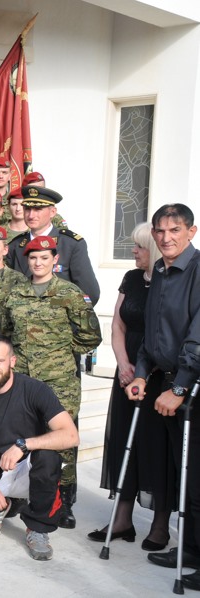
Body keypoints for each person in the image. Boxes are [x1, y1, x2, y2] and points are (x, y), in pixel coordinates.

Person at [1, 235, 102, 528]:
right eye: (33, 258)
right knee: (24, 434)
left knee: (61, 442)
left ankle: (64, 502)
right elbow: (6, 333)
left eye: (44, 258)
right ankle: (22, 496)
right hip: (23, 380)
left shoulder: (70, 293)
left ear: (55, 260)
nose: (38, 263)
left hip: (59, 380)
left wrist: (60, 352)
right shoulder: (16, 294)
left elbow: (91, 336)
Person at [0, 334, 79, 561]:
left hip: (27, 470)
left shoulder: (35, 389)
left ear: (12, 361)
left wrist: (24, 445)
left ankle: (38, 529)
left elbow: (71, 436)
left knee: (48, 458)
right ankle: (1, 507)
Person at [88, 222, 172, 550]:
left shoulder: (171, 281)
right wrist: (123, 364)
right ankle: (122, 519)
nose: (133, 251)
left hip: (158, 374)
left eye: (139, 246)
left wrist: (144, 368)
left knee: (156, 446)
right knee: (125, 439)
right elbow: (118, 324)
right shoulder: (132, 278)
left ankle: (160, 524)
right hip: (127, 372)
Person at [130, 204, 200, 582]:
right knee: (183, 471)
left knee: (198, 475)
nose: (166, 237)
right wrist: (142, 373)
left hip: (191, 385)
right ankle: (190, 547)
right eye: (160, 230)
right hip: (166, 383)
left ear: (191, 231)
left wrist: (179, 387)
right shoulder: (159, 269)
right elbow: (152, 330)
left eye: (175, 230)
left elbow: (198, 338)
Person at [7, 186, 101, 305]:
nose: (31, 215)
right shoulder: (15, 245)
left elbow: (90, 292)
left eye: (37, 209)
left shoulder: (70, 244)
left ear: (52, 212)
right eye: (27, 209)